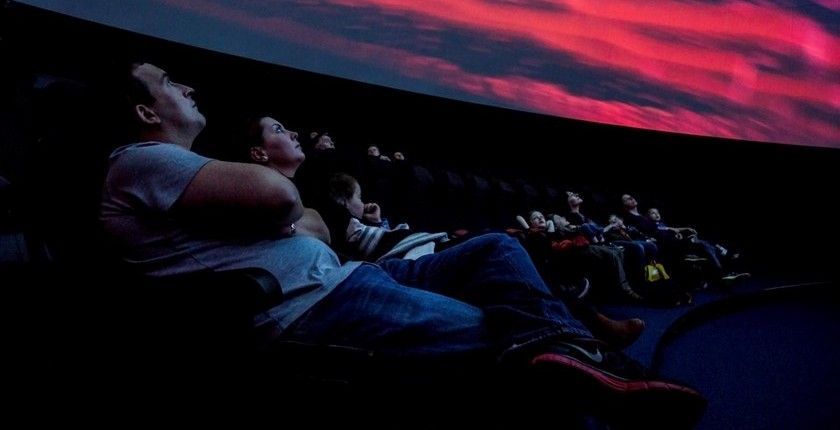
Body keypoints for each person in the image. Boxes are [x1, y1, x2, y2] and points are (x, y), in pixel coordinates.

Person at [99, 62, 705, 425]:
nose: (186, 88)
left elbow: (310, 222)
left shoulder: (187, 170)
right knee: (500, 331)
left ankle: (588, 364)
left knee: (496, 248)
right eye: (167, 83)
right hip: (311, 306)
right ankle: (605, 376)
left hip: (349, 280)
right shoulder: (141, 161)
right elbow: (288, 206)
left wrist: (291, 217)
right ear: (146, 113)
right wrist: (288, 215)